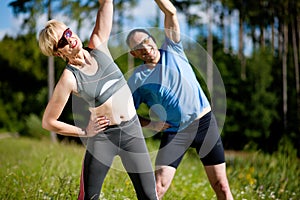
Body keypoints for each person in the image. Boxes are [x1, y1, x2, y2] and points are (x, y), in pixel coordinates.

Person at [38, 1, 158, 200]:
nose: (69, 41)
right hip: (103, 138)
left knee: (149, 196)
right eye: (61, 43)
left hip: (132, 131)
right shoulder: (69, 78)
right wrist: (84, 132)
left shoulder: (98, 44)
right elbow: (48, 121)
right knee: (89, 197)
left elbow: (106, 3)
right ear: (58, 53)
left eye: (67, 33)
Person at [126, 0, 234, 199]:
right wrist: (151, 124)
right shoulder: (136, 79)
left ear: (153, 38)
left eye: (146, 41)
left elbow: (172, 12)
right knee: (157, 188)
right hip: (175, 132)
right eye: (138, 47)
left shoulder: (173, 48)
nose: (145, 47)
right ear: (134, 53)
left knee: (221, 186)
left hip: (204, 124)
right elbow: (127, 114)